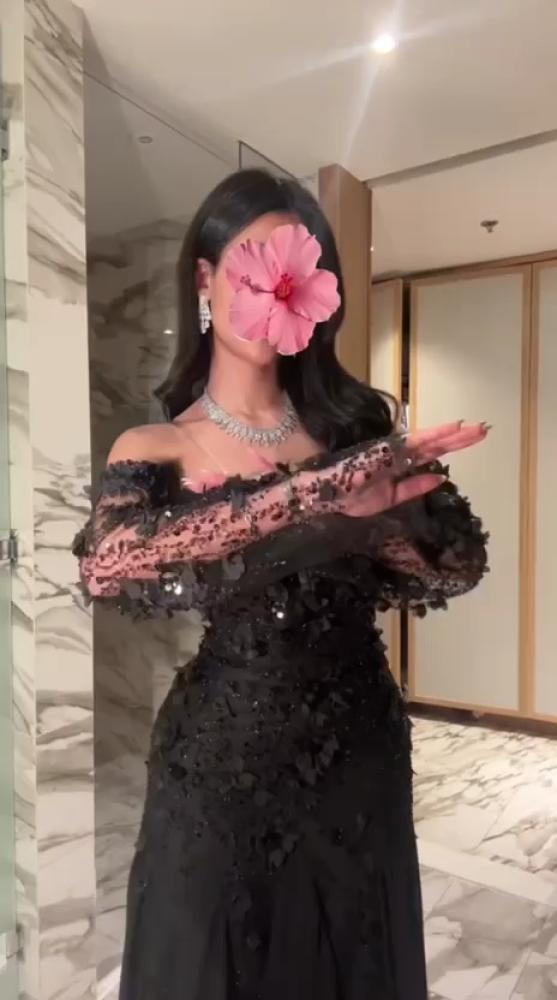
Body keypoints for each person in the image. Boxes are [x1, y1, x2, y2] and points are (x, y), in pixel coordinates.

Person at [74, 168, 488, 1000]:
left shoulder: (355, 429)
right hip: (222, 765)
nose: (270, 289)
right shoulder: (153, 446)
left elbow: (455, 564)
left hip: (358, 749)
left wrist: (373, 513)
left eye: (290, 272)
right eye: (249, 267)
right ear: (204, 278)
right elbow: (109, 564)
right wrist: (314, 499)